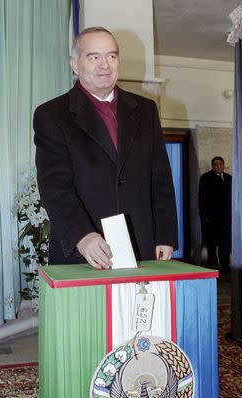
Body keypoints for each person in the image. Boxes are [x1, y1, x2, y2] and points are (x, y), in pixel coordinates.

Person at [34, 27, 178, 269]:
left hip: (142, 245)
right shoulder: (51, 115)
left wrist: (165, 234)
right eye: (94, 57)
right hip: (85, 250)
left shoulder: (146, 110)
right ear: (74, 65)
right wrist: (82, 235)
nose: (105, 65)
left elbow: (160, 178)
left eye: (111, 56)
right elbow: (54, 186)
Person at [198, 156, 231, 272]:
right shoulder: (206, 178)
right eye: (216, 164)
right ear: (212, 166)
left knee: (225, 244)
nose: (218, 166)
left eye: (220, 164)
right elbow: (202, 199)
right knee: (211, 244)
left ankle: (225, 267)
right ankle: (212, 267)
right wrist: (205, 216)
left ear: (223, 165)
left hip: (226, 218)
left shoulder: (229, 178)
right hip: (211, 218)